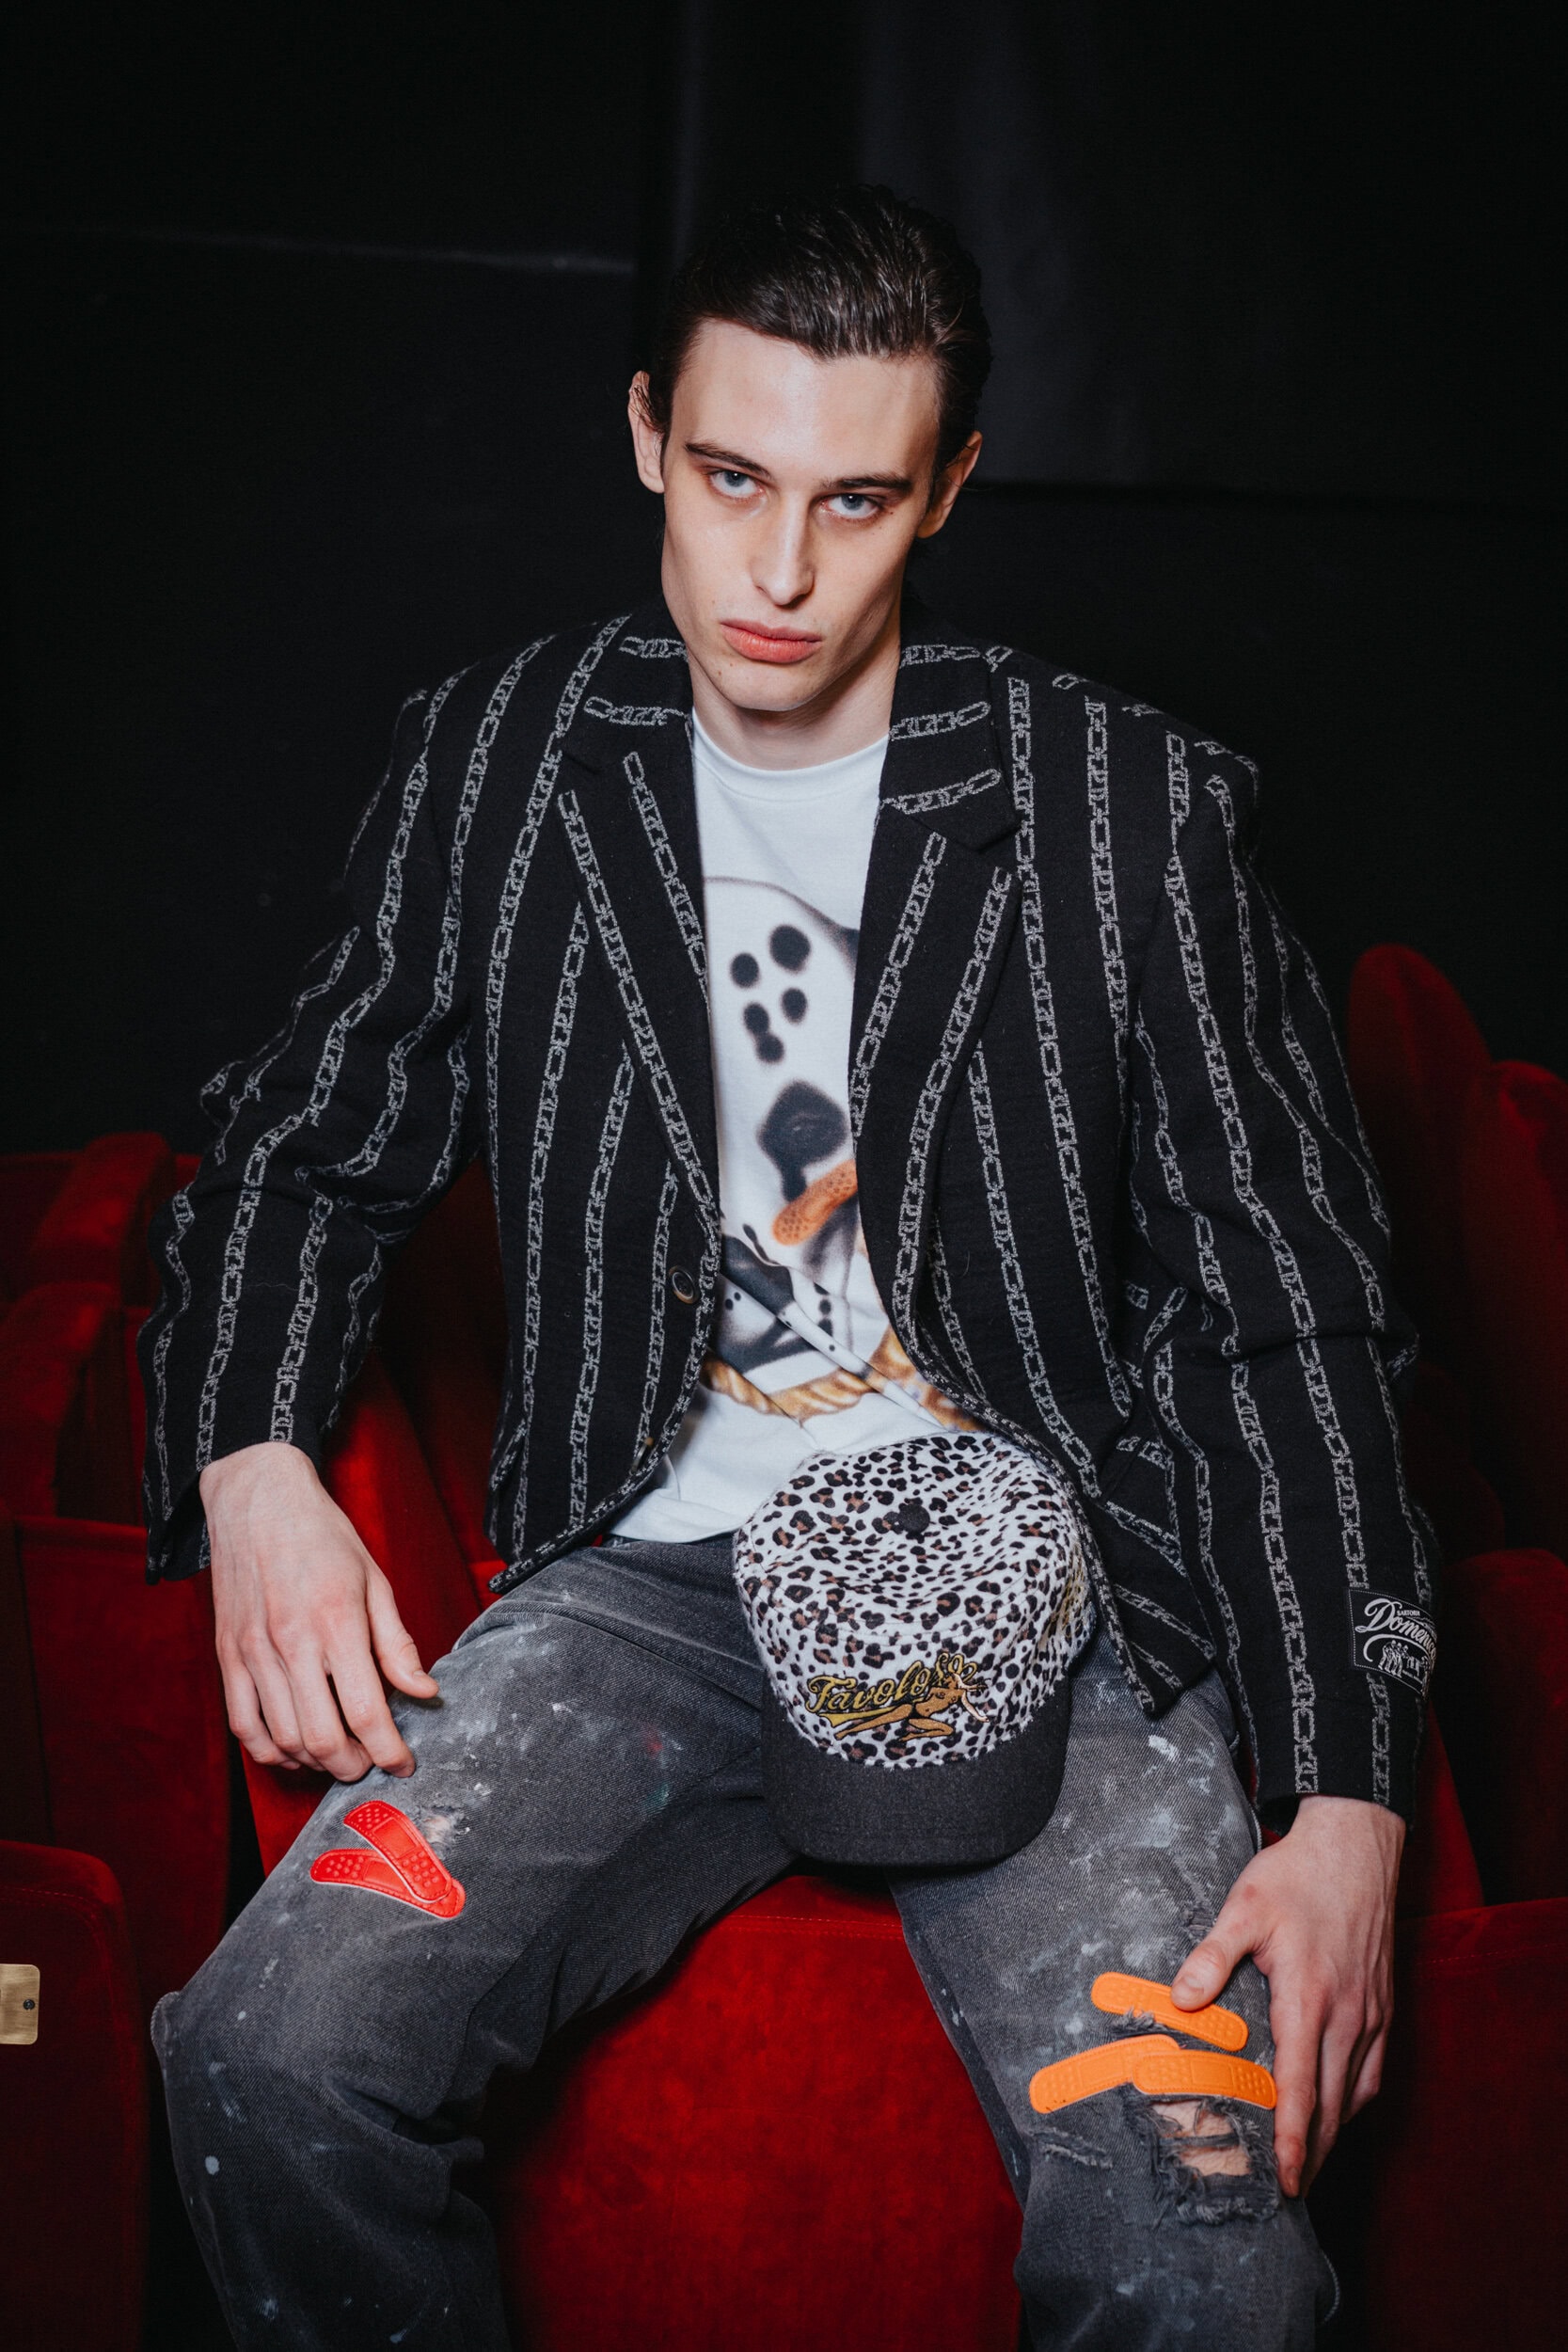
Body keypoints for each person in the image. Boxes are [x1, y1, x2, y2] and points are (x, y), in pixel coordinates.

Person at [144, 186, 1434, 2349]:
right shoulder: (499, 763)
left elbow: (1292, 1314)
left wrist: (1353, 1802)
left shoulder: (1131, 814)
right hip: (648, 1585)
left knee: (1199, 2250)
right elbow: (291, 1156)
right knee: (262, 2062)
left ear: (949, 487)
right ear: (647, 430)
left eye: (854, 500)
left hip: (1064, 1598)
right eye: (732, 476)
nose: (778, 570)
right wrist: (254, 1459)